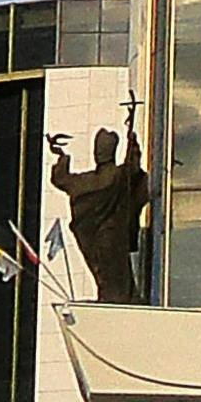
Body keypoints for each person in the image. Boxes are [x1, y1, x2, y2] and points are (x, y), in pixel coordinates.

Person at [48, 118, 149, 305]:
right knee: (117, 277)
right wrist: (132, 141)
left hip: (94, 240)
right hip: (113, 238)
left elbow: (60, 178)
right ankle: (119, 301)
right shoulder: (117, 175)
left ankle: (115, 300)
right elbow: (133, 168)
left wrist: (62, 156)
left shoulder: (84, 181)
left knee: (105, 275)